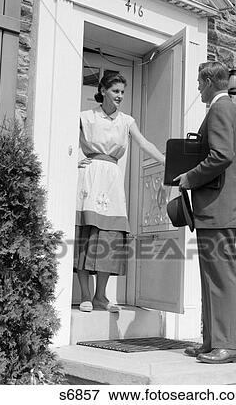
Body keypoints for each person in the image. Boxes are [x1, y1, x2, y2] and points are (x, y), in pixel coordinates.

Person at [174, 61, 236, 364]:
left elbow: (222, 155)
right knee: (210, 278)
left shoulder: (220, 108)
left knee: (221, 278)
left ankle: (228, 345)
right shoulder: (223, 108)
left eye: (199, 83)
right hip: (216, 208)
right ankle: (212, 342)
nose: (197, 89)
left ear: (208, 81)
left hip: (218, 209)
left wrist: (189, 178)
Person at [75, 71, 165, 313]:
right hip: (90, 177)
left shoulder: (126, 120)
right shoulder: (85, 117)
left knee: (110, 236)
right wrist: (73, 162)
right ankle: (84, 294)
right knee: (86, 234)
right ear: (103, 90)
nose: (120, 96)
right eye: (115, 91)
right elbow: (67, 144)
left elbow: (144, 143)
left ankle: (100, 296)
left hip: (112, 180)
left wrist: (166, 161)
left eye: (122, 92)